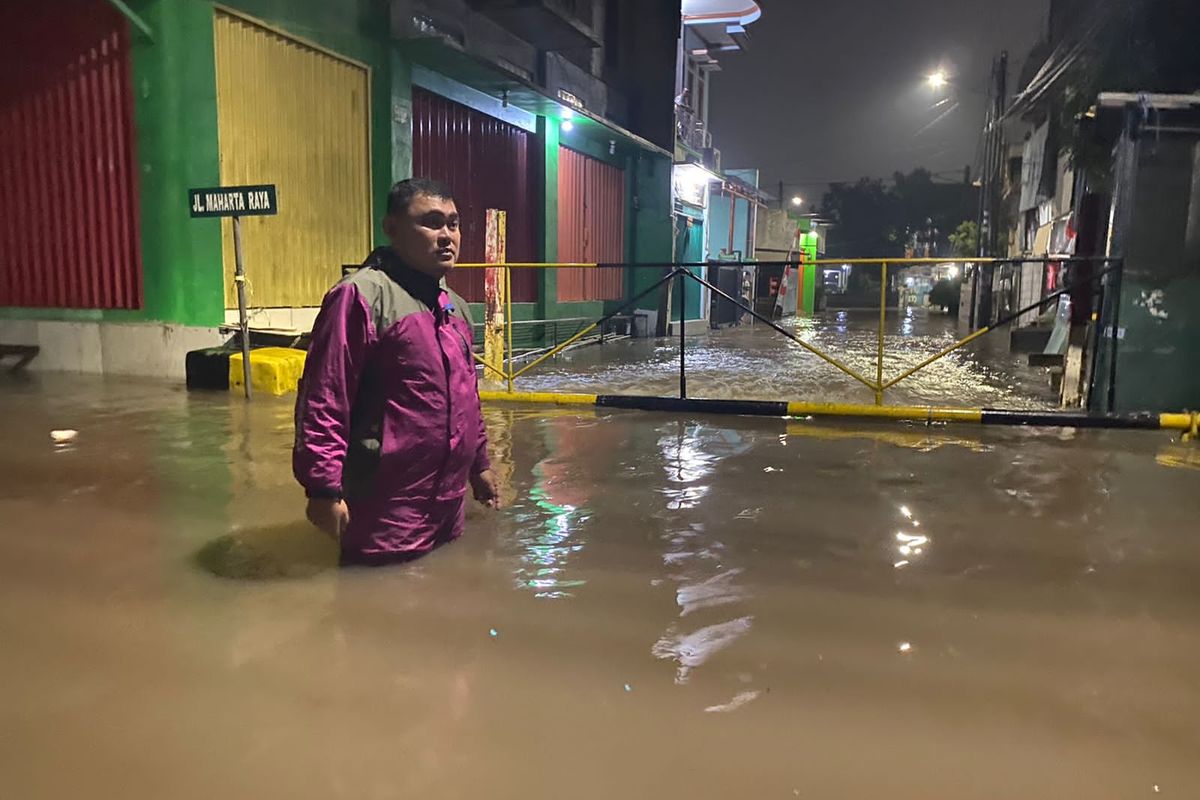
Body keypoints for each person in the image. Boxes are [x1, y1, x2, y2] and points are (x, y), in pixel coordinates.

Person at [293, 178, 499, 565]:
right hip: (386, 507)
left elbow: (468, 396)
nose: (447, 236)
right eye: (432, 222)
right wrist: (322, 490)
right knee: (376, 608)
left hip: (448, 506)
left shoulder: (455, 307)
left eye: (453, 224)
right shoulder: (361, 296)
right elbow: (326, 396)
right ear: (392, 229)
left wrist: (480, 466)